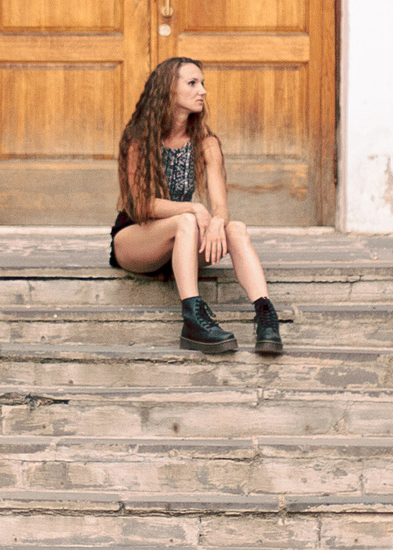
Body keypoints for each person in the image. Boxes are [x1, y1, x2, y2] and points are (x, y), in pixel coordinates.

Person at [107, 57, 282, 356]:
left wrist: (216, 221)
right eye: (192, 83)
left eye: (202, 83)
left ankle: (266, 318)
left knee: (236, 229)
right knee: (188, 219)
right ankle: (192, 320)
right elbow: (140, 205)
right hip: (137, 240)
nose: (202, 91)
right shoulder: (139, 138)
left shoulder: (206, 142)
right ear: (169, 92)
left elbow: (220, 206)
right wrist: (194, 210)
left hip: (183, 241)